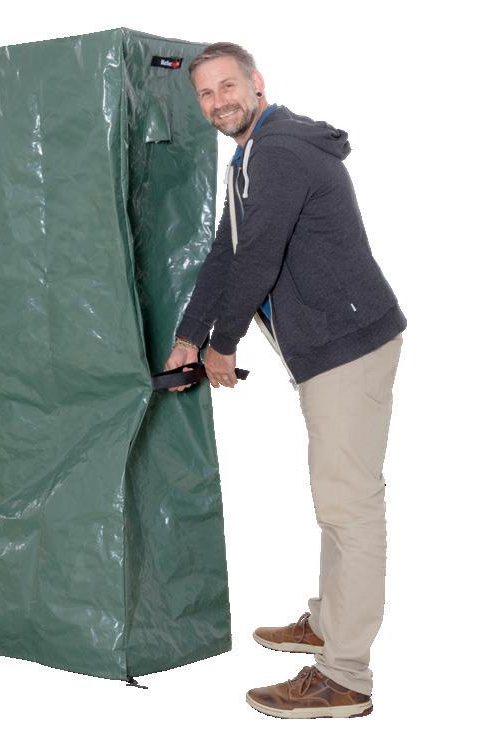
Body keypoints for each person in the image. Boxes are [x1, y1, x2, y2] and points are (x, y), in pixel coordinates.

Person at [163, 42, 406, 719]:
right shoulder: (253, 155)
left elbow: (257, 261)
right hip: (332, 347)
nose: (217, 103)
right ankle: (328, 623)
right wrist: (187, 337)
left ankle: (345, 677)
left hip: (346, 349)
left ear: (256, 83)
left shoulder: (279, 151)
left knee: (350, 507)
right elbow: (227, 251)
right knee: (337, 501)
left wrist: (221, 345)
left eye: (226, 87)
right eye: (205, 94)